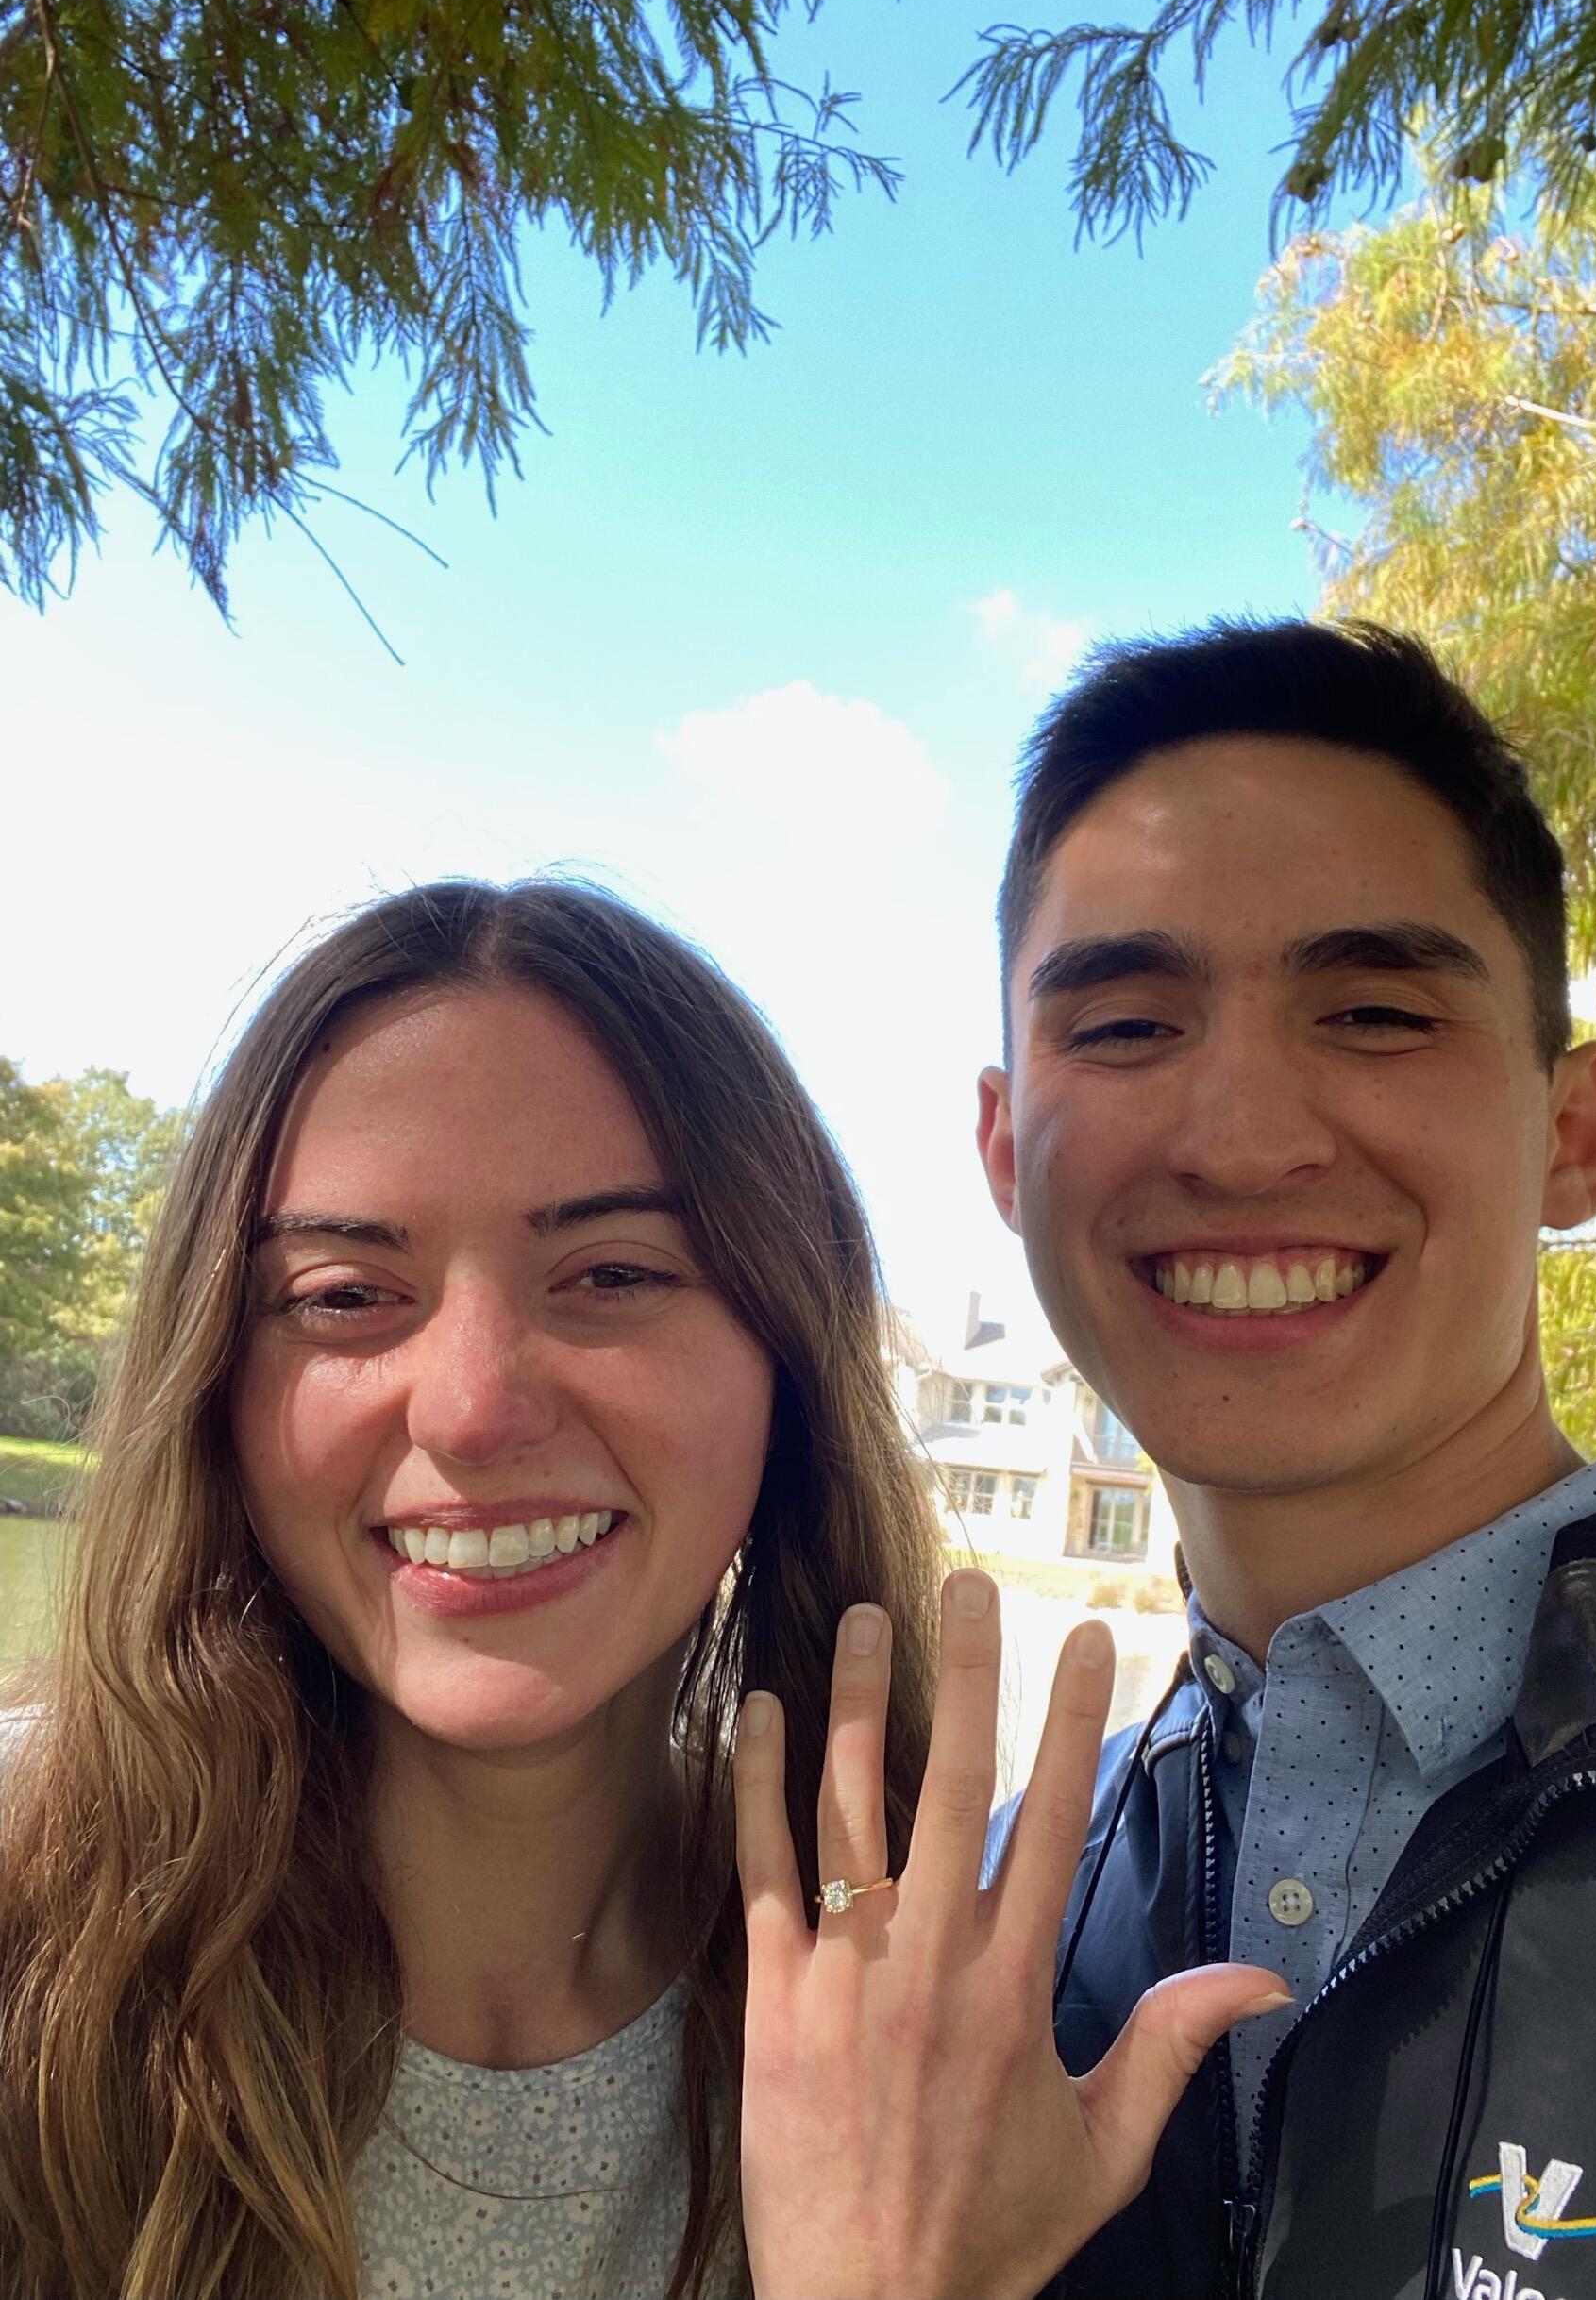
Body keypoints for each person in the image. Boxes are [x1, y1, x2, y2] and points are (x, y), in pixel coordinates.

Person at [735, 618, 1596, 2300]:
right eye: (1129, 1028)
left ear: (1575, 1134)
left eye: (1370, 1012)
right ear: (1007, 1150)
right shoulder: (997, 1920)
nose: (1237, 1139)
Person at [0, 876, 961, 2300]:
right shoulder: (30, 1960)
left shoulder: (947, 2027)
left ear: (792, 1368)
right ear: (216, 1386)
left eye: (614, 1273)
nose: (468, 1410)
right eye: (341, 1295)